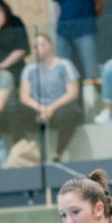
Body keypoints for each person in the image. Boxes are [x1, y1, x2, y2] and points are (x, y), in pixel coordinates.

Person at [19, 33, 84, 161]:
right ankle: (25, 153)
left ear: (51, 46)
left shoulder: (65, 65)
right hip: (38, 110)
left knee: (69, 113)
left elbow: (73, 92)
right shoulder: (29, 69)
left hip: (60, 107)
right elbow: (24, 96)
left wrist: (51, 108)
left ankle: (59, 153)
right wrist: (40, 108)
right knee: (17, 112)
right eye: (35, 46)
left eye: (42, 44)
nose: (39, 49)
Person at [51, 0, 103, 81]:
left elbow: (98, 1)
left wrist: (91, 21)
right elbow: (57, 5)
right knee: (60, 67)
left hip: (85, 28)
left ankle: (92, 89)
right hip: (63, 29)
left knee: (91, 68)